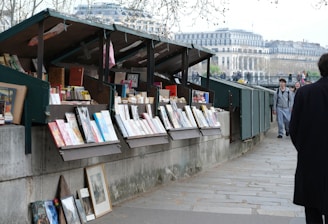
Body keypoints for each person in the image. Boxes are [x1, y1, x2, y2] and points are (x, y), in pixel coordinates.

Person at [289, 53, 328, 223]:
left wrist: (305, 149)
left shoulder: (305, 93)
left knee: (312, 211)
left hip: (311, 161)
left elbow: (294, 128)